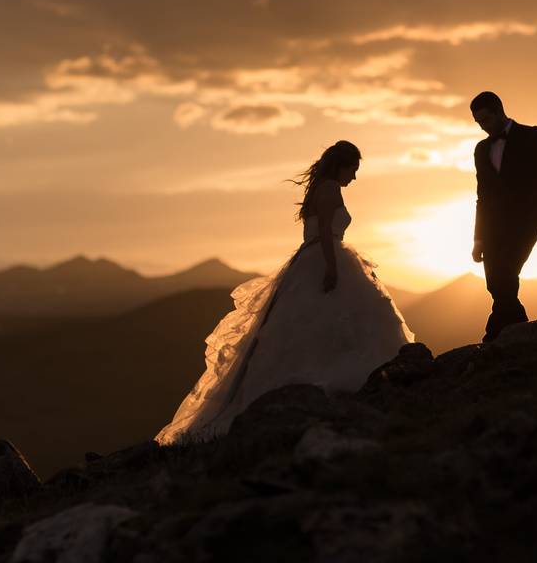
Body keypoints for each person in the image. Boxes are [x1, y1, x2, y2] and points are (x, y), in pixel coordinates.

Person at [156, 141, 414, 444]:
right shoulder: (331, 189)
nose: (354, 178)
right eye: (353, 170)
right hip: (324, 258)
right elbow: (329, 235)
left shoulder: (319, 188)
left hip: (309, 258)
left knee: (307, 327)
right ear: (341, 165)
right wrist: (332, 269)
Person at [470, 91, 537, 342]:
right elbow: (482, 197)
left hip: (527, 222)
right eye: (479, 123)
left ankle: (494, 336)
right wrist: (478, 239)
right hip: (492, 228)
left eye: (486, 120)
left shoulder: (532, 136)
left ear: (499, 111)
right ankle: (520, 330)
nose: (483, 127)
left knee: (506, 275)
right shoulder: (481, 150)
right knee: (496, 284)